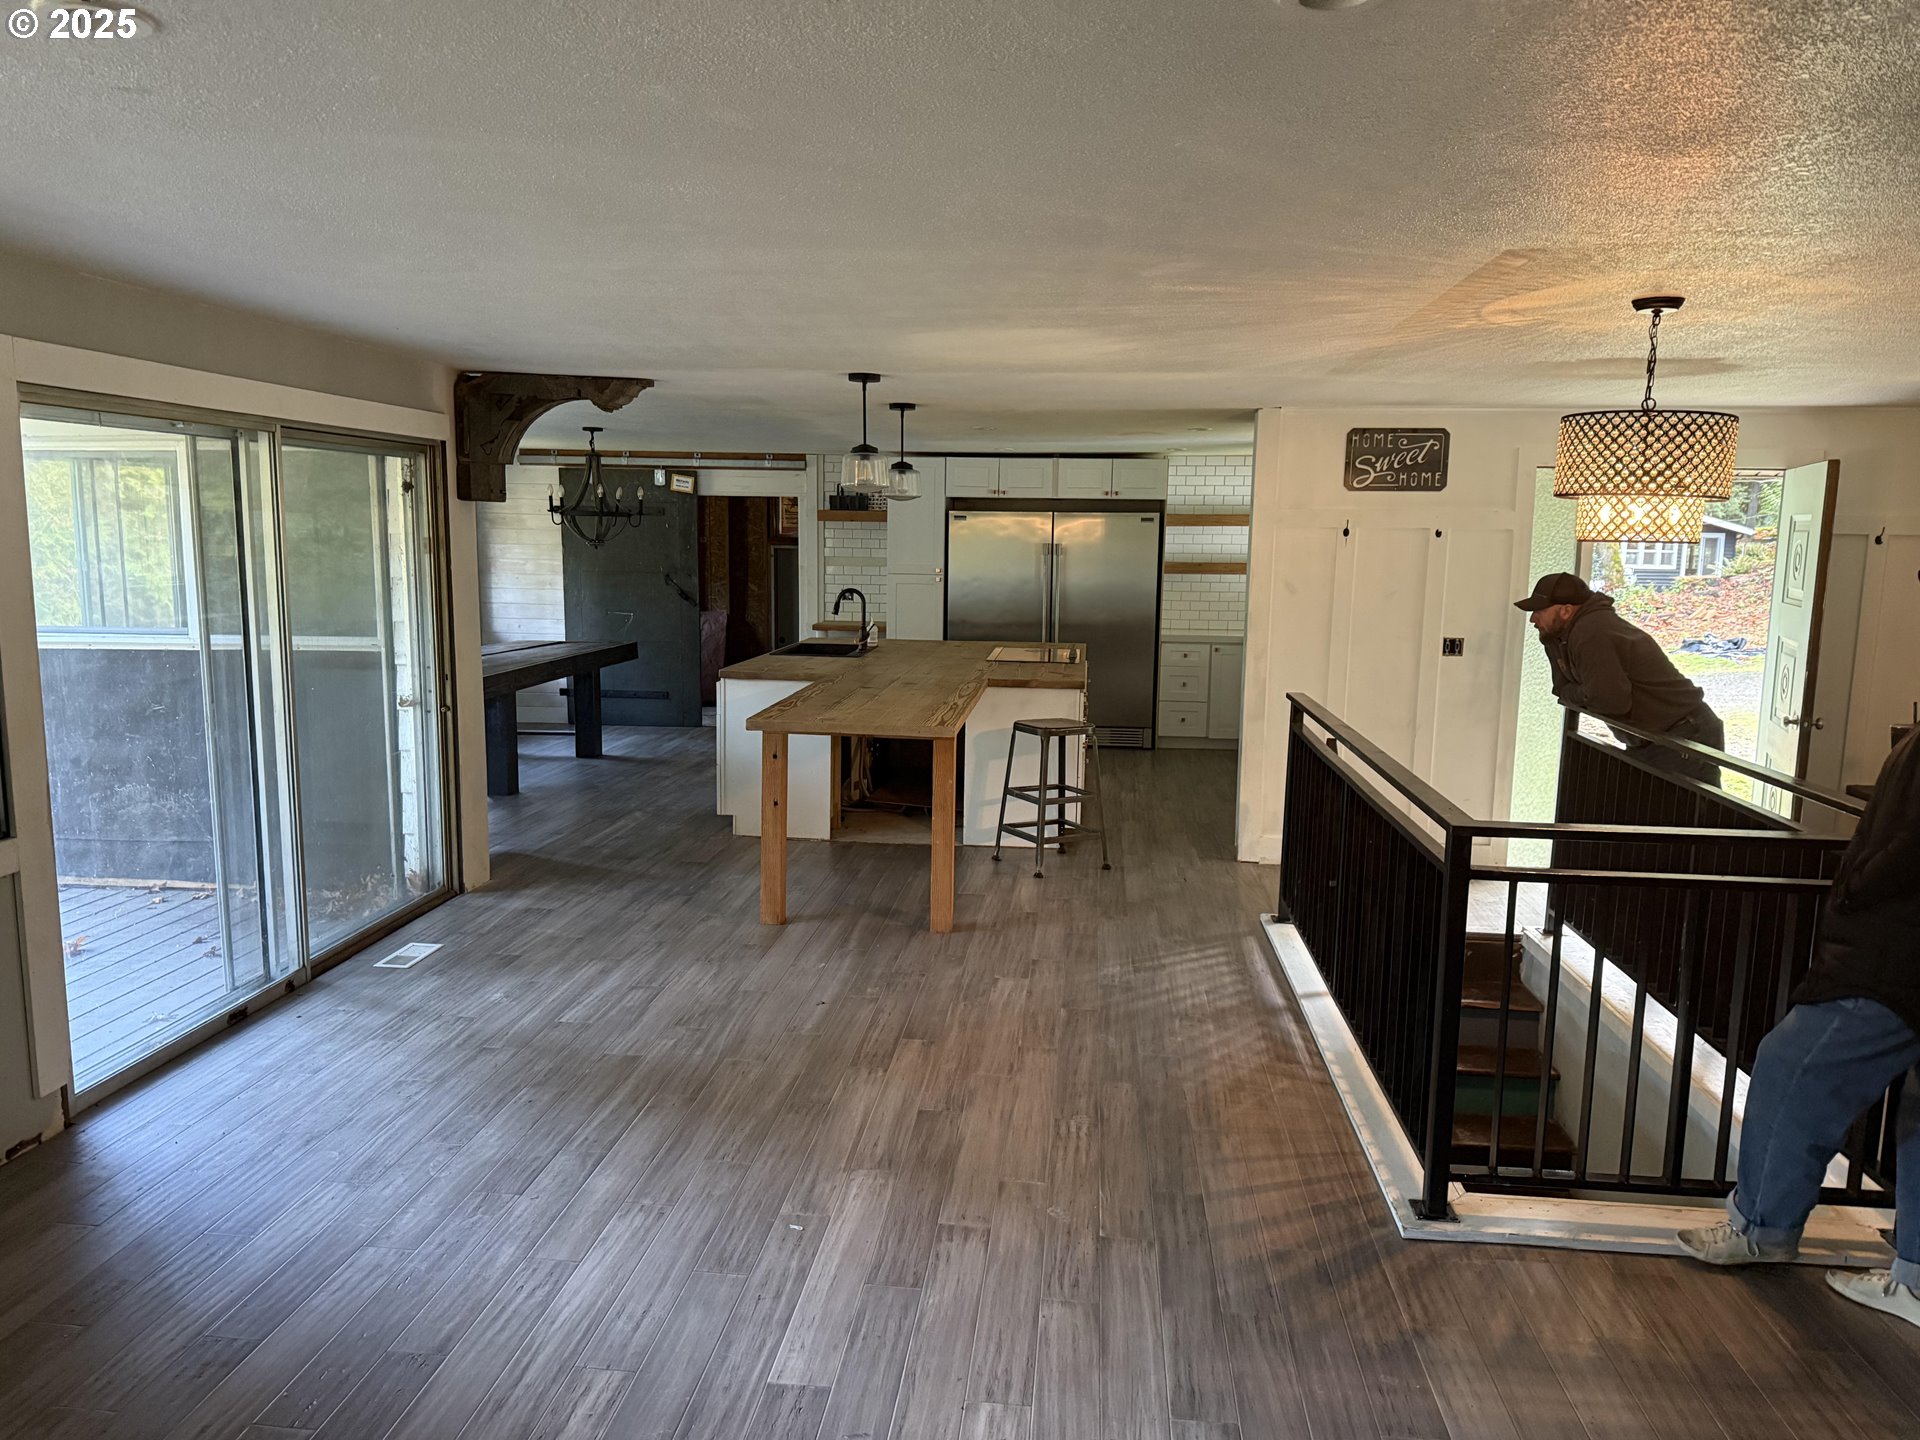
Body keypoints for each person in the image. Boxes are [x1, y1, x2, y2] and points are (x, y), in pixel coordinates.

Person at [1679, 725, 1920, 1328]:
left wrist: (1858, 886)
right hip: (1899, 947)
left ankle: (1761, 1225)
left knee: (1794, 1066)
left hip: (1897, 952)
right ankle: (1916, 1277)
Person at [1514, 571, 1725, 784]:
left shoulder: (1591, 632)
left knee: (1683, 813)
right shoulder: (1561, 637)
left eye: (1539, 611)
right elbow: (1561, 690)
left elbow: (1610, 701)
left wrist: (1584, 693)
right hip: (1655, 735)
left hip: (1684, 733)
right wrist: (1586, 692)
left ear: (1566, 611)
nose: (1533, 618)